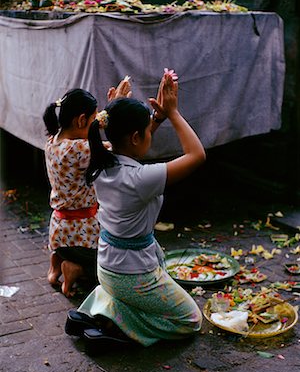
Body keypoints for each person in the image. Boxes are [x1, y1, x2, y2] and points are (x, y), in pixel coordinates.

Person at [65, 71, 206, 352]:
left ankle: (101, 312)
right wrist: (173, 113)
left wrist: (153, 120)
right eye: (146, 133)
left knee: (139, 294)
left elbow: (128, 147)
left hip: (108, 267)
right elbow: (197, 155)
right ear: (134, 137)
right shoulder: (140, 179)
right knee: (191, 319)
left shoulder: (101, 161)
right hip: (132, 275)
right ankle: (120, 329)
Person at [43, 79, 131, 297]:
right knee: (108, 268)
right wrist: (116, 110)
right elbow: (116, 148)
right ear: (82, 120)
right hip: (81, 232)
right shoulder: (81, 149)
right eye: (94, 117)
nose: (96, 122)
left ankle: (54, 269)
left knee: (63, 249)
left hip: (58, 230)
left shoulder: (53, 140)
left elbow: (89, 130)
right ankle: (73, 270)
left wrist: (109, 111)